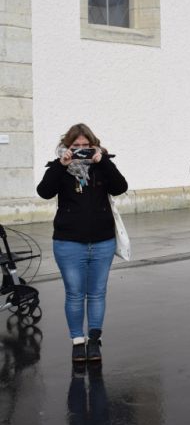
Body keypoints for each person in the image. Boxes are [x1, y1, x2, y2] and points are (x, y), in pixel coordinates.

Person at [37, 123, 128, 362]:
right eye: (76, 146)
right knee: (75, 294)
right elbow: (44, 192)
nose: (81, 150)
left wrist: (103, 161)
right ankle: (78, 341)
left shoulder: (102, 166)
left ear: (94, 145)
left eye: (86, 145)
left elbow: (121, 187)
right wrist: (61, 165)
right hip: (68, 242)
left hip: (102, 241)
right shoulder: (59, 167)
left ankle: (94, 340)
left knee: (97, 293)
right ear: (67, 146)